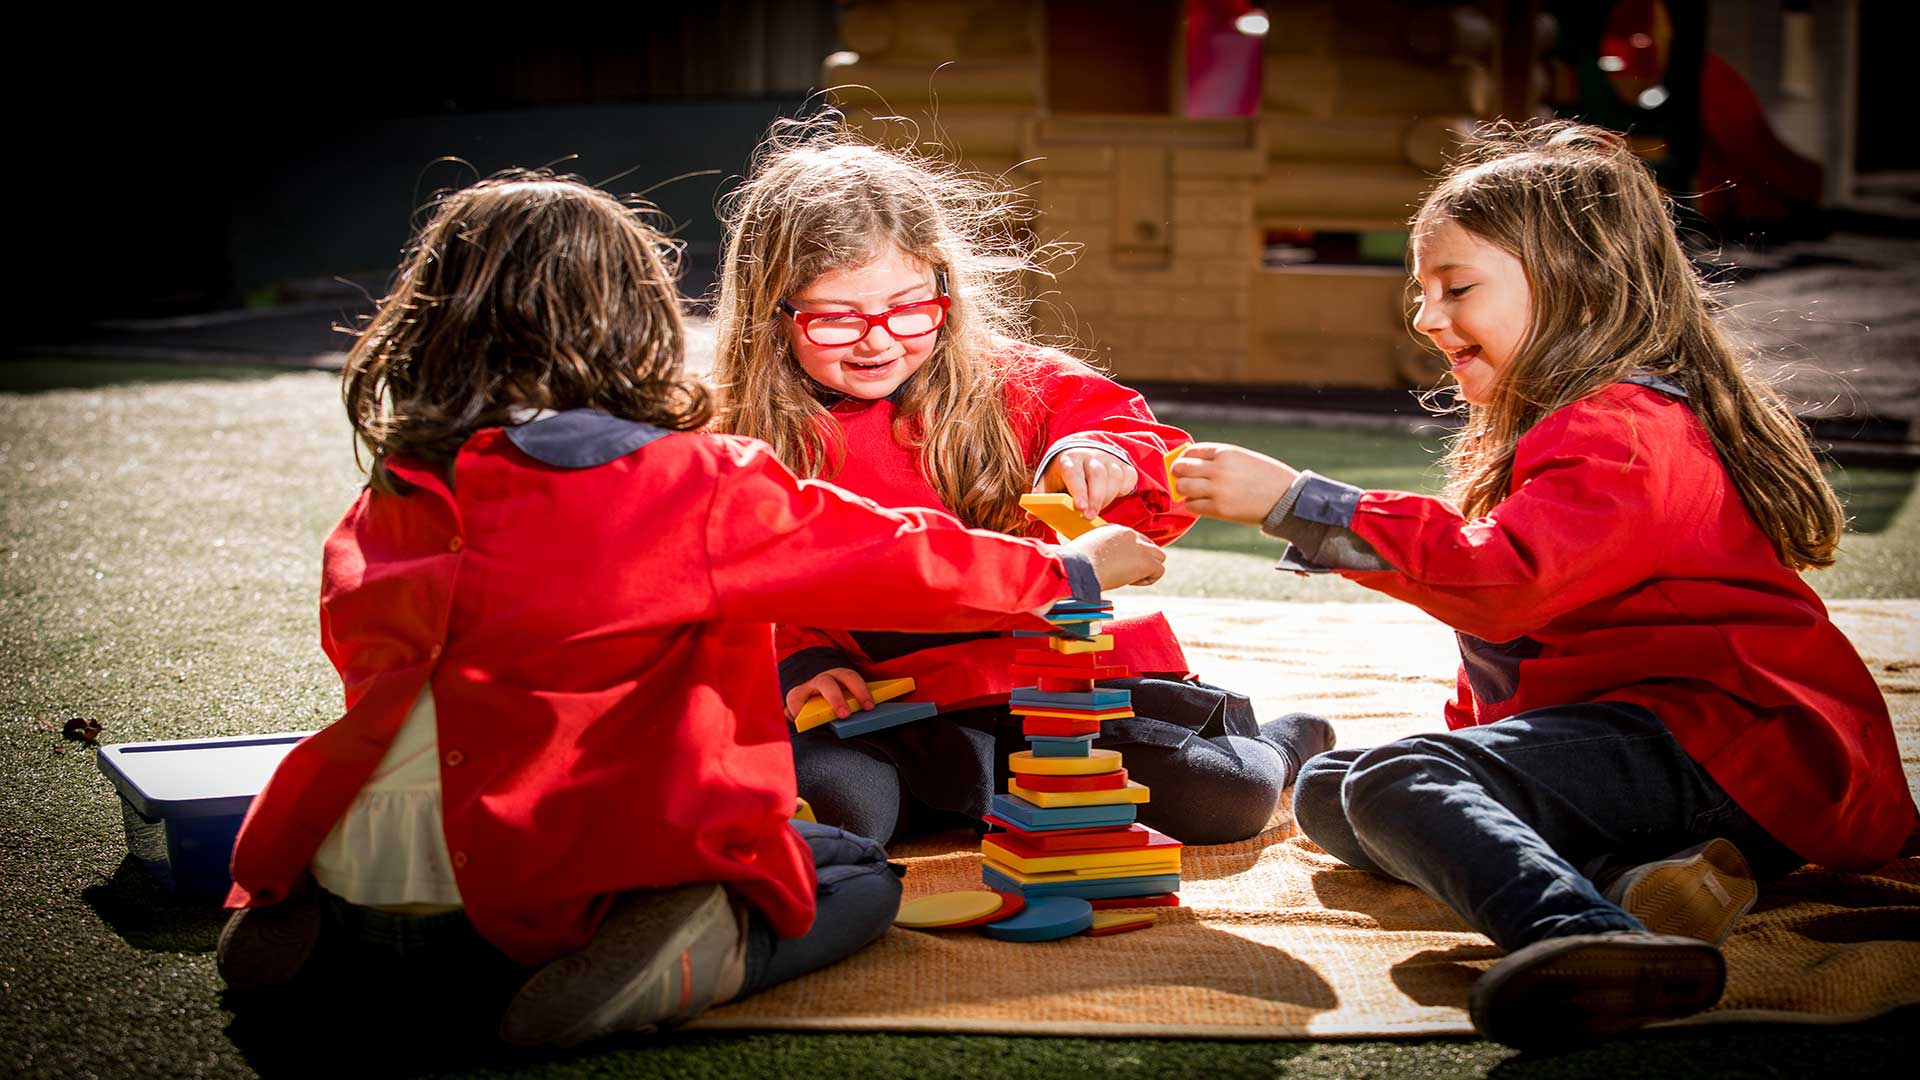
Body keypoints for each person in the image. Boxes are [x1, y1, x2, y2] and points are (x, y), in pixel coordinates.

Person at [213, 171, 1168, 1048]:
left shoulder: (401, 488)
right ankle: (695, 945)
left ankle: (315, 926)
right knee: (849, 877)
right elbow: (894, 556)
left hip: (338, 858)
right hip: (539, 889)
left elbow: (371, 654)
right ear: (638, 319)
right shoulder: (687, 483)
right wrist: (1070, 573)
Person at [1170, 120, 1916, 1050]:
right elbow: (1522, 651)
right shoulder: (1579, 421)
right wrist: (1480, 761)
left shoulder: (1623, 429)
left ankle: (1585, 935)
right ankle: (1656, 882)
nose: (1425, 316)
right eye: (1421, 290)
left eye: (1457, 288)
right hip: (1666, 752)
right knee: (1333, 786)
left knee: (1403, 778)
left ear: (1576, 285)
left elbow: (1504, 584)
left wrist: (1303, 503)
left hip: (1730, 742)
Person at [709, 124, 1332, 847]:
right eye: (837, 319)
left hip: (1045, 685)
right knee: (838, 809)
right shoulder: (740, 436)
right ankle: (973, 790)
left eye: (910, 307)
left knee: (1223, 798)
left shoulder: (1016, 383)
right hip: (878, 702)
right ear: (772, 313)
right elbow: (744, 590)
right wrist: (804, 662)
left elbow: (1139, 454)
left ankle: (1282, 745)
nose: (880, 339)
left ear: (945, 285)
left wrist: (1105, 456)